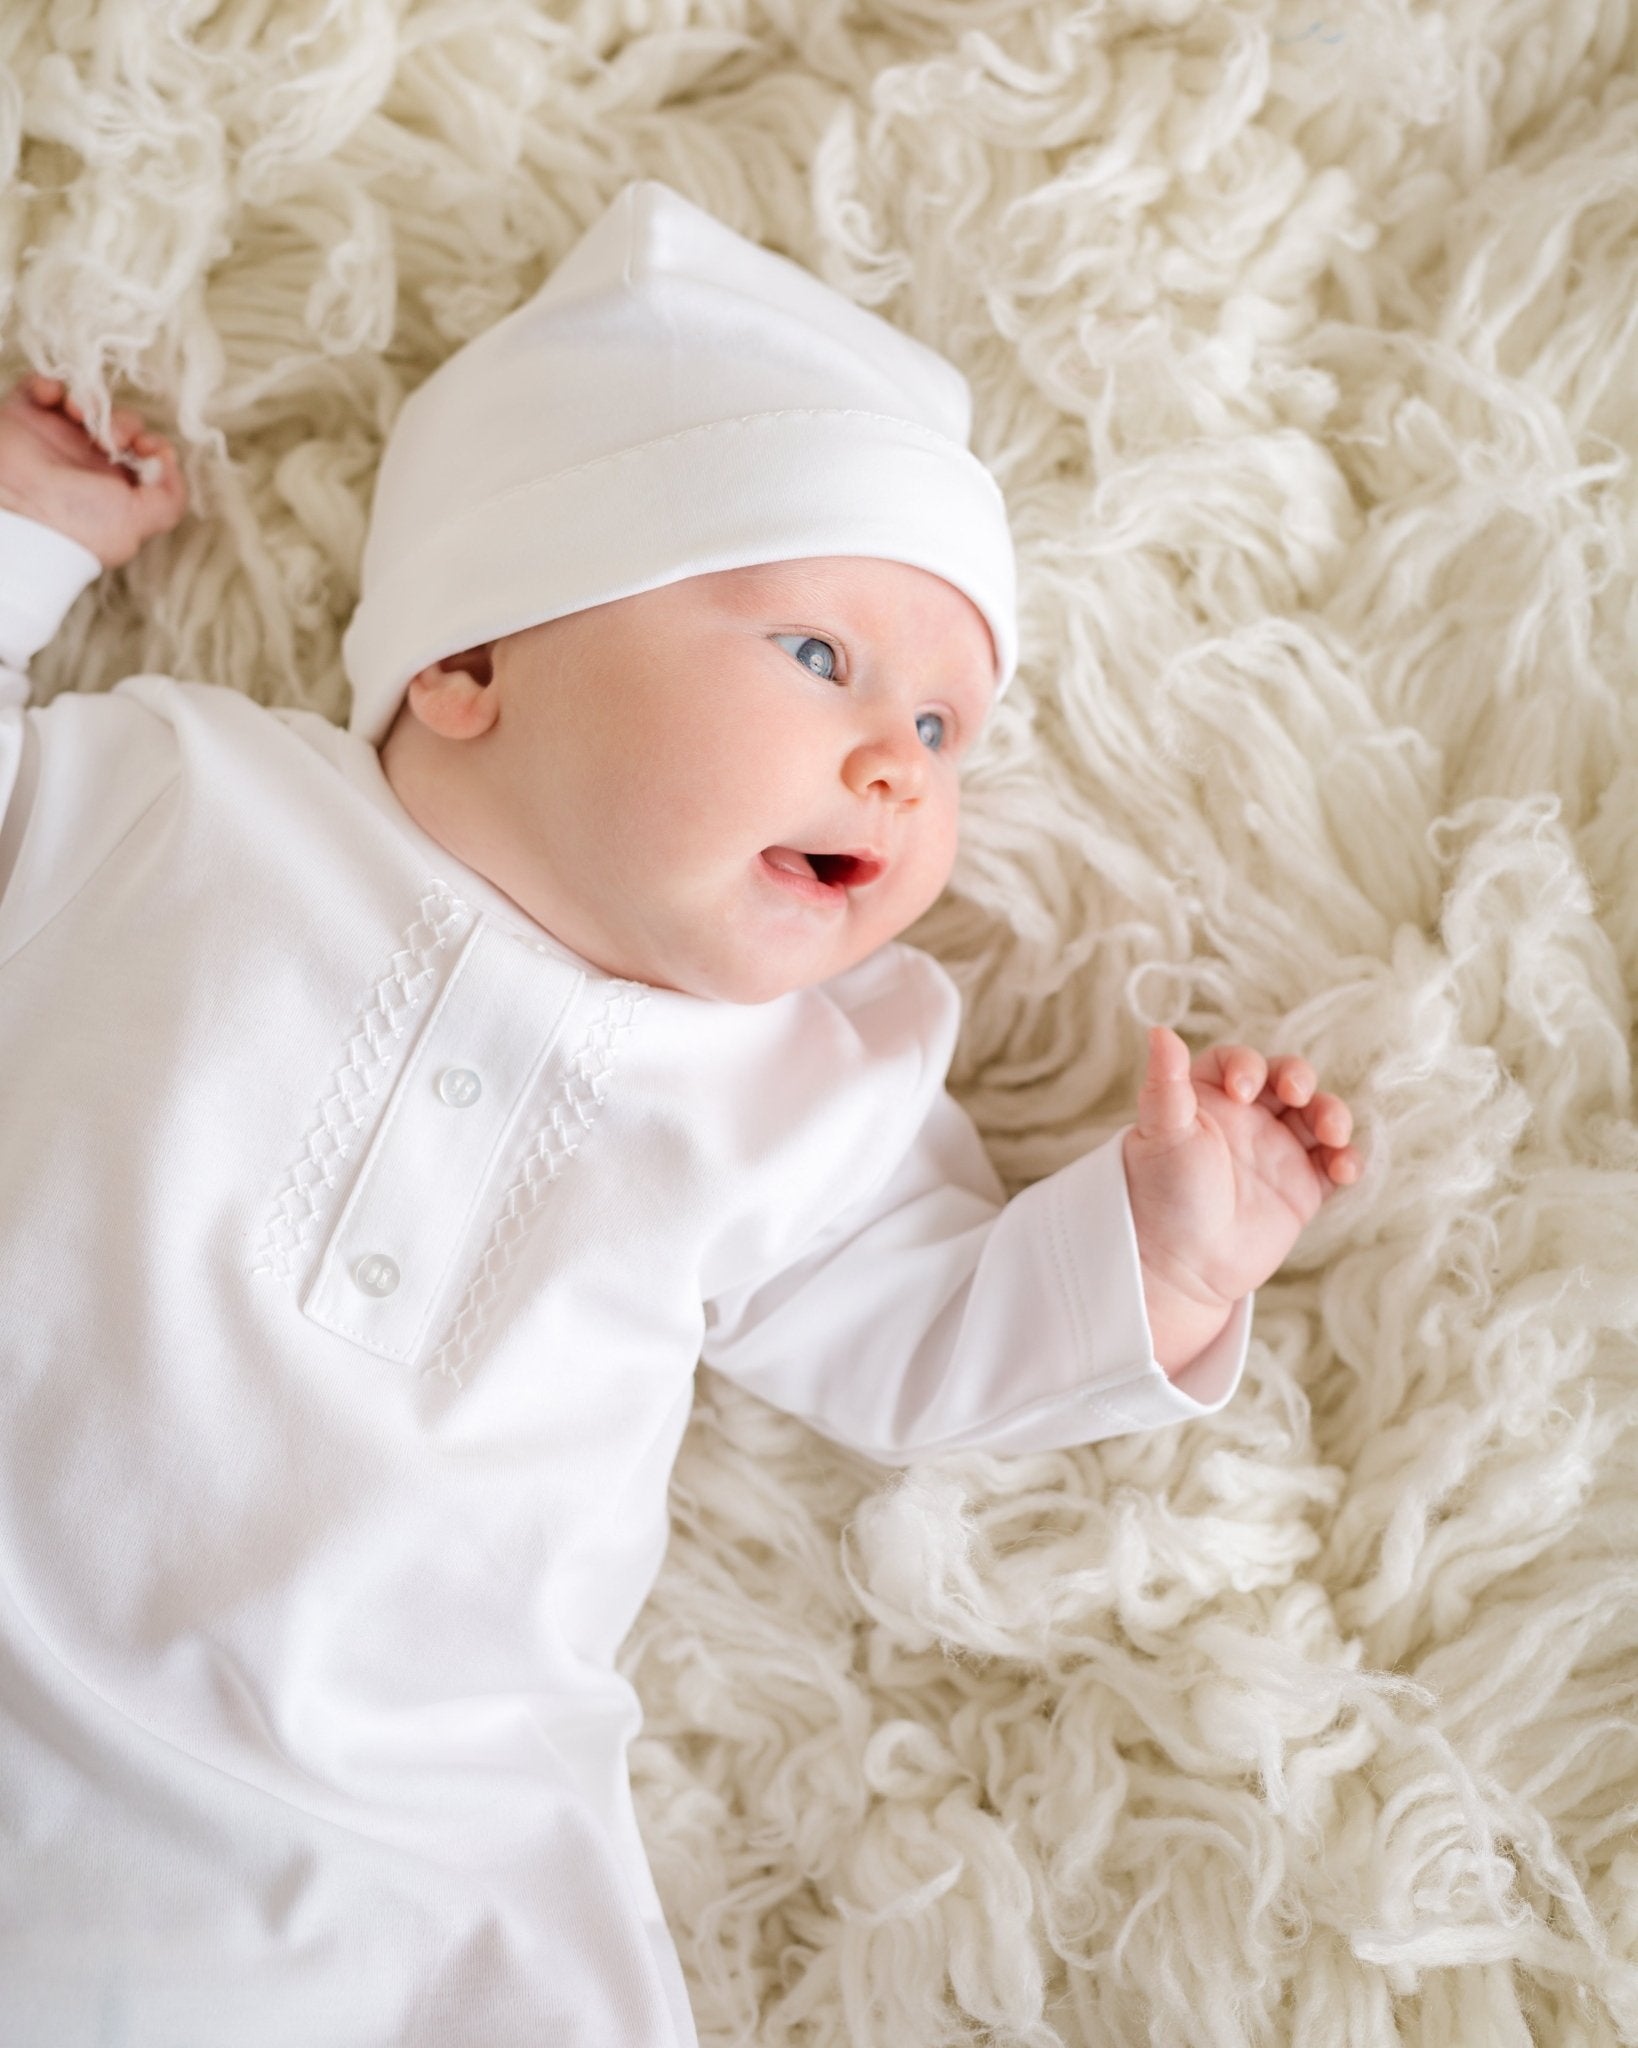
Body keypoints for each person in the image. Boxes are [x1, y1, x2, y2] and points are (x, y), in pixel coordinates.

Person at [0, 181, 1358, 2047]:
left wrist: (1168, 1251)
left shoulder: (813, 1088)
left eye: (950, 732)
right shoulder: (178, 795)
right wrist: (28, 539)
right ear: (471, 664)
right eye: (819, 657)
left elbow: (930, 1349)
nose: (899, 757)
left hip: (428, 1857)